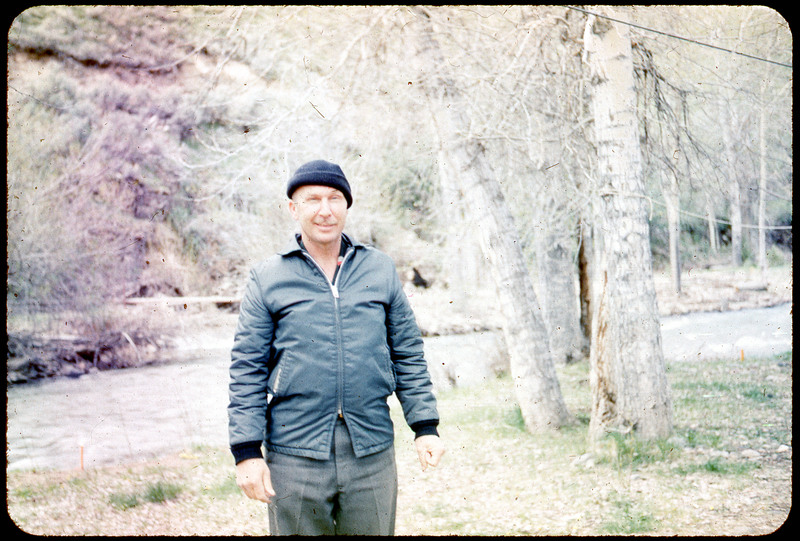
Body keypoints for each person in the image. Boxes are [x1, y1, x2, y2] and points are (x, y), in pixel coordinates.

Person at [228, 159, 445, 536]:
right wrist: (246, 452)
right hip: (294, 454)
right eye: (312, 200)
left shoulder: (379, 269)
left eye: (334, 199)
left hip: (371, 451)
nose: (325, 210)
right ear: (293, 209)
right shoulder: (268, 277)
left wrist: (425, 426)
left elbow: (407, 353)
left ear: (347, 206)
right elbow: (248, 369)